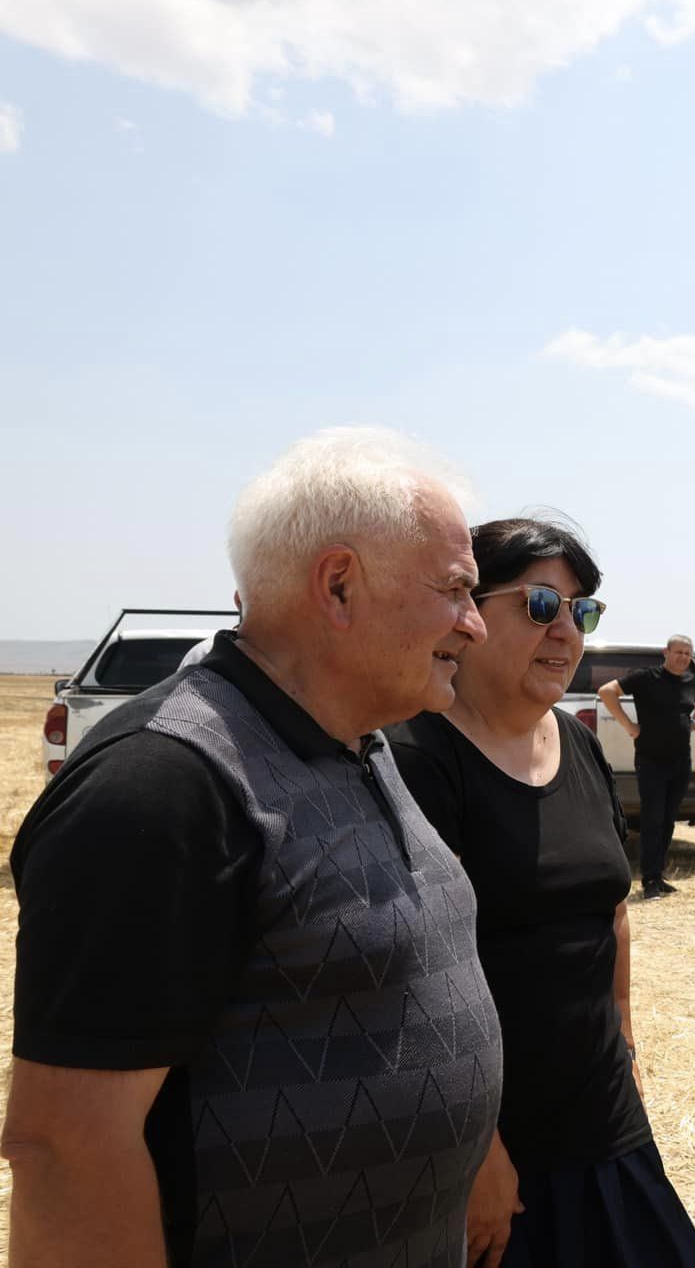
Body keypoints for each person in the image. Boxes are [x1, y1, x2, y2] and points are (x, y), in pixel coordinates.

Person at [3, 427, 503, 1267]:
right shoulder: (163, 788)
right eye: (456, 590)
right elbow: (67, 1150)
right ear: (338, 585)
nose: (476, 626)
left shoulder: (362, 739)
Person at [389, 518, 695, 1268]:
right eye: (540, 604)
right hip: (496, 1144)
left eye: (581, 611)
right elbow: (410, 976)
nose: (566, 631)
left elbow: (611, 909)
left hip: (602, 1114)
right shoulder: (417, 757)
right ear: (469, 615)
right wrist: (475, 1149)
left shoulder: (579, 742)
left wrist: (625, 1036)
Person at [600, 635, 695, 899]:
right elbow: (607, 691)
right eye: (679, 652)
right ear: (666, 652)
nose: (683, 657)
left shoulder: (690, 681)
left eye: (688, 654)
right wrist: (629, 726)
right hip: (651, 760)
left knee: (669, 819)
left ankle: (658, 875)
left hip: (681, 760)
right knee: (653, 819)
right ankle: (649, 880)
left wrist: (694, 721)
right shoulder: (646, 677)